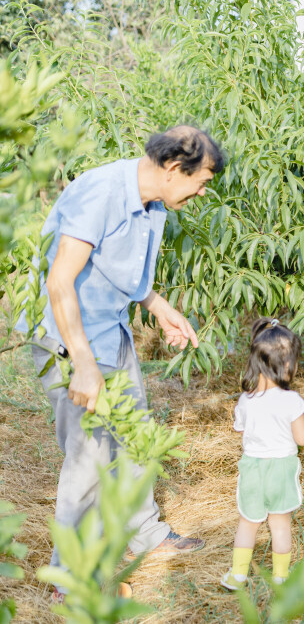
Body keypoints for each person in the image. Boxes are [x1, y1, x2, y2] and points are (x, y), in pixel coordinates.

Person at [18, 125, 224, 600]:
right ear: (175, 169)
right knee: (88, 459)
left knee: (134, 438)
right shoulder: (101, 192)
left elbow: (120, 271)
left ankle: (144, 533)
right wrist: (84, 364)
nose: (201, 191)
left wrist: (160, 307)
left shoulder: (154, 206)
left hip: (110, 331)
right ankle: (70, 578)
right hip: (69, 338)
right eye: (202, 181)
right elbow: (59, 281)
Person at [221, 318, 304, 590]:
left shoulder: (245, 400)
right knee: (280, 526)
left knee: (248, 524)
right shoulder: (292, 401)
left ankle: (237, 575)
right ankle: (281, 577)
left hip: (253, 471)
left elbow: (242, 429)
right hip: (281, 471)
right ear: (286, 365)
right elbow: (303, 438)